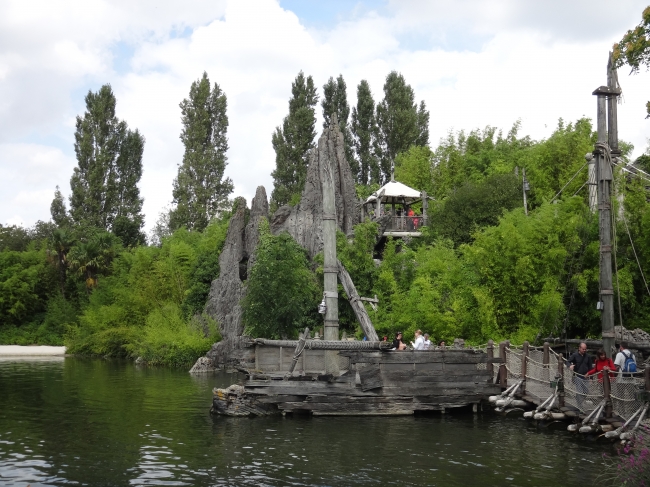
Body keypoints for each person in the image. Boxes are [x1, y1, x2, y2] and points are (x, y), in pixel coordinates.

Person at [567, 342, 593, 409]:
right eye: (583, 349)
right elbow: (568, 361)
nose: (584, 350)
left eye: (585, 349)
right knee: (579, 391)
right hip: (577, 375)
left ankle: (579, 402)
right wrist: (570, 366)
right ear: (579, 348)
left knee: (586, 391)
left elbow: (590, 367)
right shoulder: (575, 355)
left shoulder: (588, 356)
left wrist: (591, 377)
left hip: (586, 376)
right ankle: (579, 406)